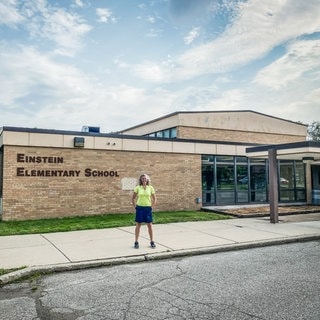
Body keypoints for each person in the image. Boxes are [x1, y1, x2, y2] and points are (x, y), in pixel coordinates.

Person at [132, 174, 157, 249]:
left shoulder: (151, 188)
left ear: (147, 180)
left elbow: (155, 199)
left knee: (149, 225)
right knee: (138, 225)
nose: (144, 180)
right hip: (140, 208)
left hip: (147, 208)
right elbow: (133, 198)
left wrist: (151, 207)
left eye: (145, 178)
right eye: (142, 178)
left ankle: (152, 241)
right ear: (141, 180)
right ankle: (136, 242)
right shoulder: (137, 188)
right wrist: (135, 207)